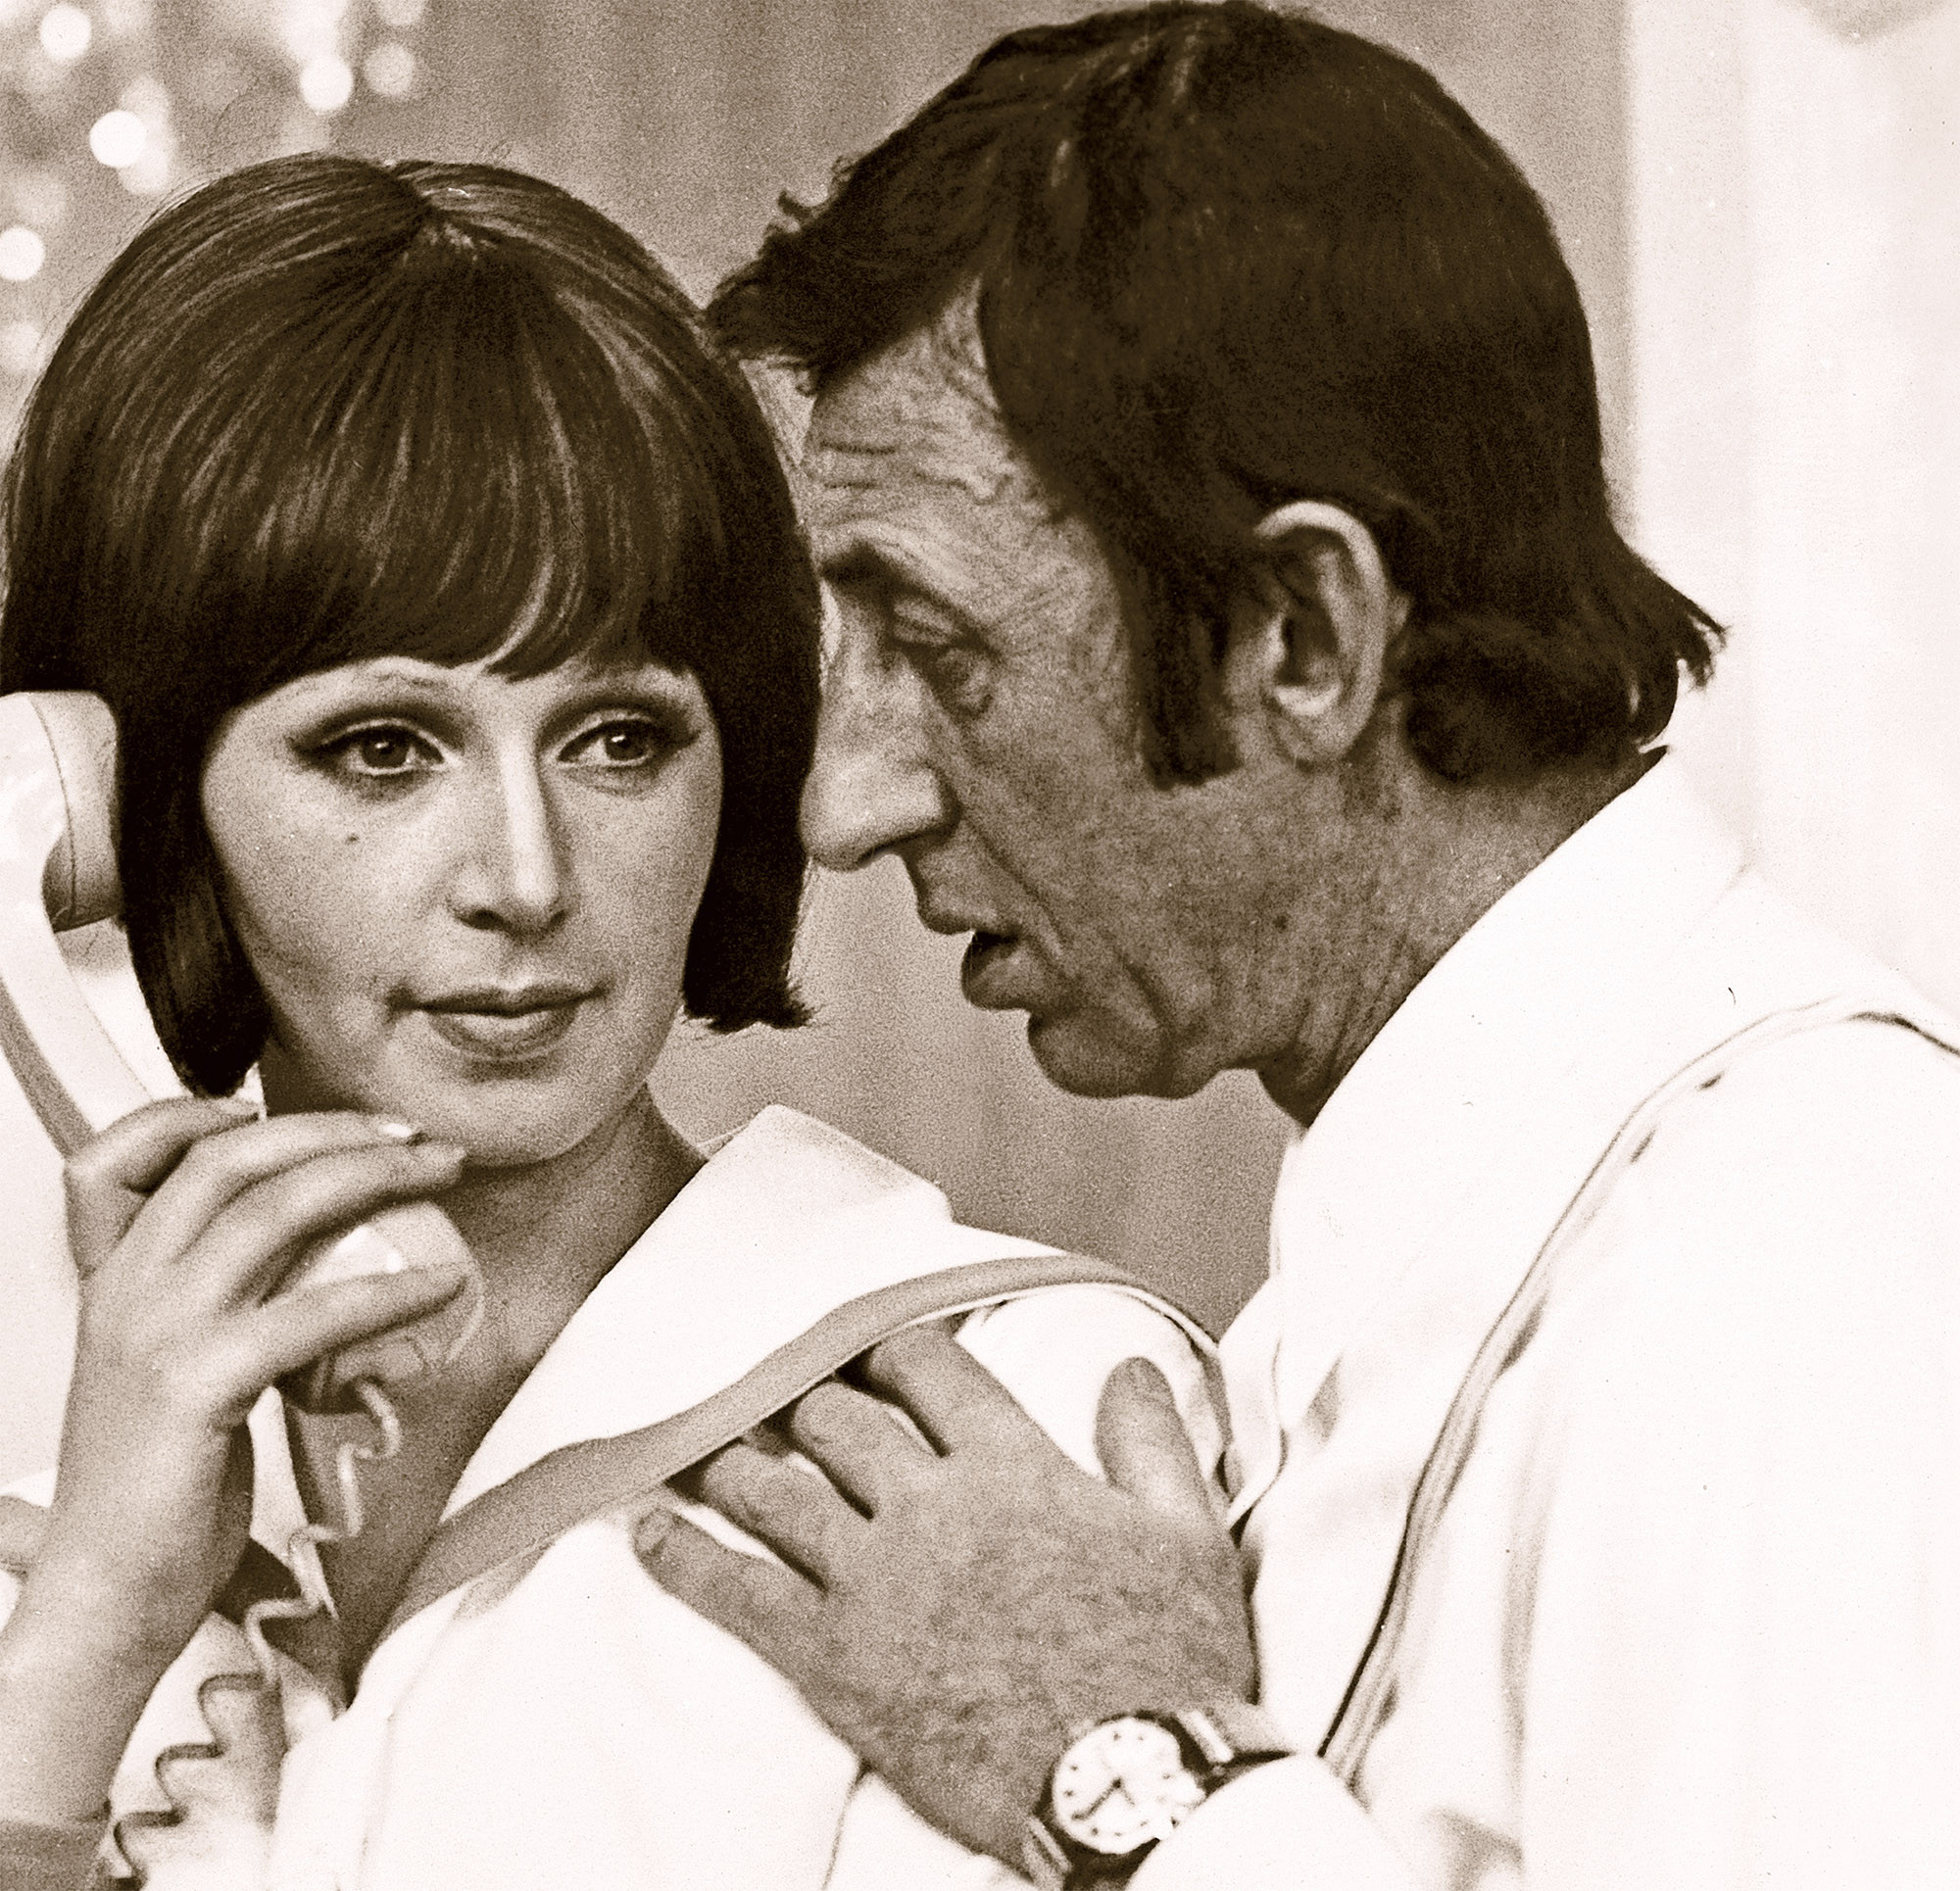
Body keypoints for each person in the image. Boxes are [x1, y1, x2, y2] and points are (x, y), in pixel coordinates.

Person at [632, 6, 1960, 1888]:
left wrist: (1117, 1768)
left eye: (935, 648)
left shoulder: (1792, 1270)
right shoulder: (1445, 1265)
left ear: (1307, 637)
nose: (845, 805)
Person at [0, 153, 1219, 1891]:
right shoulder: (66, 1478)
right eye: (382, 747)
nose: (525, 876)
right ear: (129, 799)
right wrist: (90, 1631)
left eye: (620, 737)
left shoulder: (1003, 1409)